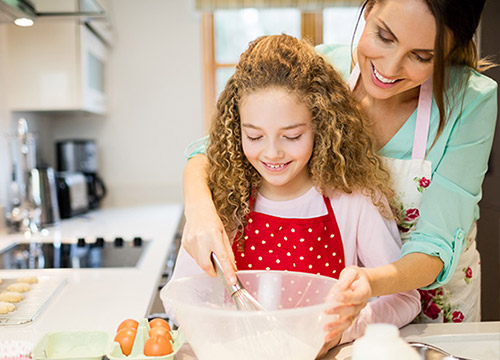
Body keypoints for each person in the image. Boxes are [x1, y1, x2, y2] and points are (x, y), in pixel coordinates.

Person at [181, 0, 497, 340]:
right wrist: (199, 211)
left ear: (450, 50)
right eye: (384, 36)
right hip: (344, 318)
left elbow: (435, 242)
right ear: (369, 7)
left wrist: (371, 284)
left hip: (429, 310)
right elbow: (212, 148)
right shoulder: (322, 70)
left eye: (422, 56)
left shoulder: (470, 99)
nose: (389, 68)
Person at [164, 34, 421, 354]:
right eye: (254, 136)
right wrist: (222, 327)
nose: (272, 153)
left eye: (292, 135)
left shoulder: (354, 200)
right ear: (237, 130)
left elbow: (405, 298)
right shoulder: (221, 201)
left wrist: (344, 328)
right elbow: (180, 297)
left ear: (320, 125)